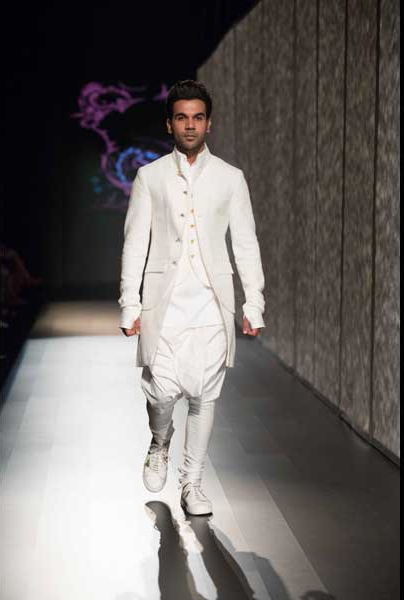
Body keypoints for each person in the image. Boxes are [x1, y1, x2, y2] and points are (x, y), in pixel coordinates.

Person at [118, 80, 266, 516]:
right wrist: (129, 303)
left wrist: (253, 303)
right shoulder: (150, 177)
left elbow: (246, 243)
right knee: (161, 392)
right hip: (163, 304)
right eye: (181, 117)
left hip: (212, 304)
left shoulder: (231, 179)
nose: (190, 125)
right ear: (170, 124)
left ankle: (192, 483)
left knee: (204, 396)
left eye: (197, 117)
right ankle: (159, 441)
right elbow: (135, 243)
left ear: (208, 123)